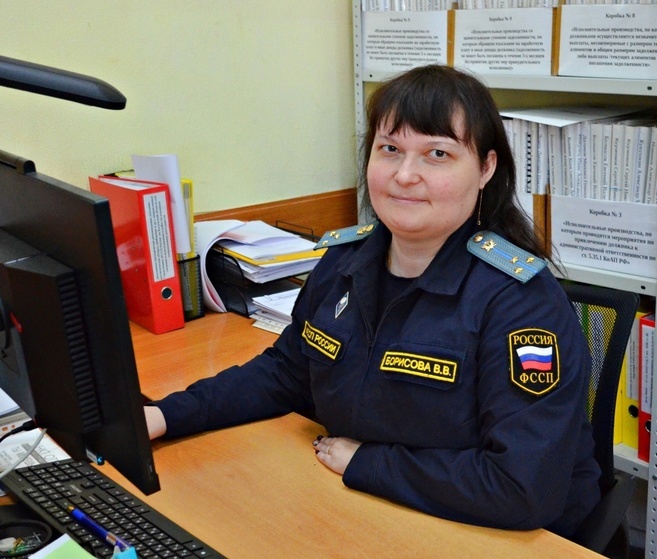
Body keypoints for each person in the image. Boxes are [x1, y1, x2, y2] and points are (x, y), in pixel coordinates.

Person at [144, 64, 600, 537]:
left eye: (437, 154)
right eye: (390, 149)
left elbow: (521, 488)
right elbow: (285, 373)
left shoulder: (521, 303)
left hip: (493, 534)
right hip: (373, 508)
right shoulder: (346, 261)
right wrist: (164, 415)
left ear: (486, 168)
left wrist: (368, 462)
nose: (405, 175)